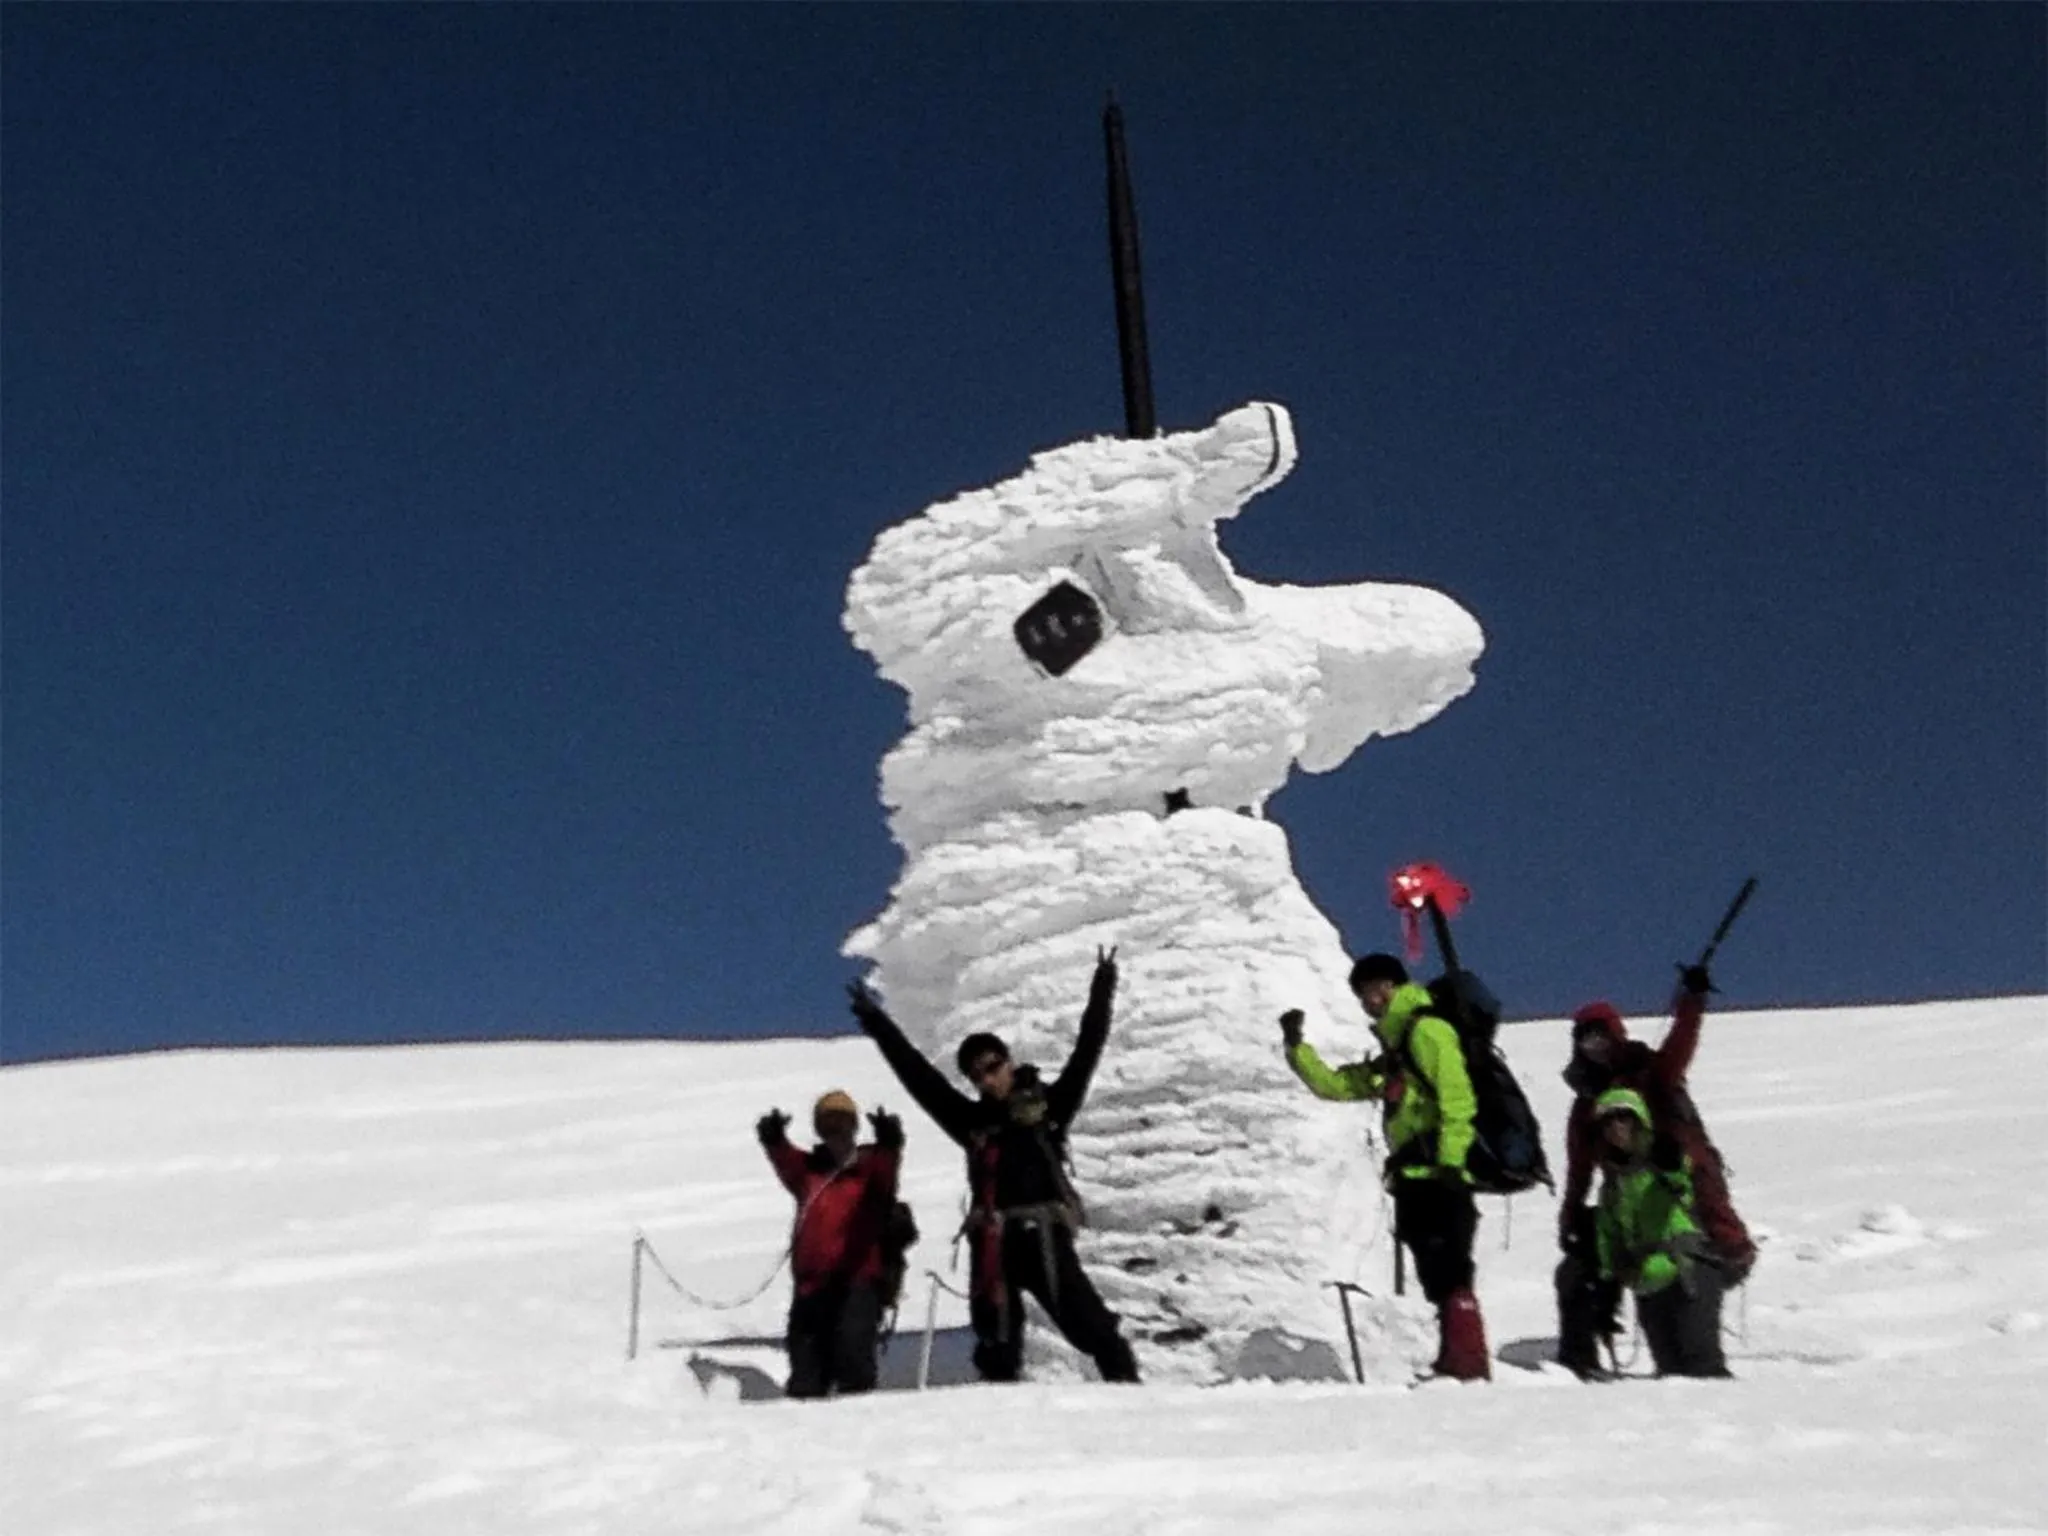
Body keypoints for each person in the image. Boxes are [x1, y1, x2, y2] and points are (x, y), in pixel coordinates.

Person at [846, 949, 1139, 1385]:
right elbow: (919, 1076)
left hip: (1045, 1237)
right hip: (993, 1244)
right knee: (996, 1346)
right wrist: (877, 1024)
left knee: (1093, 1329)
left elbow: (1088, 1047)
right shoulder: (971, 1123)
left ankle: (1131, 1400)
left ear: (1009, 1062)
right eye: (976, 1075)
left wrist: (1103, 982)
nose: (986, 1079)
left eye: (992, 1067)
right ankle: (1004, 1435)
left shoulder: (1050, 1107)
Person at [1279, 952, 1490, 1381]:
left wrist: (1451, 1164)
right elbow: (1337, 1086)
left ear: (1394, 986)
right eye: (1362, 994)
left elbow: (1458, 1098)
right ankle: (1455, 1359)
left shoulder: (1427, 1032)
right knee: (1435, 1274)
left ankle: (1469, 1362)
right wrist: (1296, 1048)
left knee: (1450, 1270)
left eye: (1376, 990)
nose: (1369, 1001)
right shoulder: (1394, 1055)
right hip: (1412, 1177)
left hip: (1440, 1174)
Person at [1554, 963, 1754, 1377]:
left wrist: (1691, 1002)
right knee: (1585, 1267)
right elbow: (1579, 1165)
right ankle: (1582, 1355)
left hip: (1677, 1181)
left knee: (1697, 1254)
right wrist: (1572, 1211)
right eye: (1586, 1040)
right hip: (1628, 1200)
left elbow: (1679, 1048)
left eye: (1601, 1037)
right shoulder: (1586, 1103)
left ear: (1616, 1035)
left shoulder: (1651, 1072)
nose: (1595, 1048)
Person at [757, 1089, 903, 1399]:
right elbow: (785, 1159)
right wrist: (774, 1139)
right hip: (811, 1286)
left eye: (842, 1123)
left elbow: (886, 1178)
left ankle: (858, 1423)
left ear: (854, 1128)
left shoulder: (868, 1170)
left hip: (856, 1282)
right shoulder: (808, 1171)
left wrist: (889, 1144)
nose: (835, 1132)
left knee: (853, 1360)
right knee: (806, 1375)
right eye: (827, 1125)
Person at [1586, 1086, 1732, 1377]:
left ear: (1639, 1121)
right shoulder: (1613, 1183)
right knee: (1670, 1371)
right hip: (1649, 1281)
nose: (1616, 1128)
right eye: (1608, 1122)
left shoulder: (1662, 1157)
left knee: (1702, 1365)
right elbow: (1609, 1239)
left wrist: (1670, 1159)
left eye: (1623, 1119)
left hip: (1689, 1270)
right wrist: (1606, 1294)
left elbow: (1680, 1175)